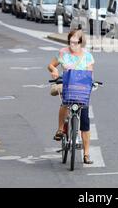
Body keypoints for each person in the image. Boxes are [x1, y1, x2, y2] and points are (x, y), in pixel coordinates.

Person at [48, 30, 95, 165]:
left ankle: (86, 154)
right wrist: (54, 70)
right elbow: (50, 65)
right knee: (64, 104)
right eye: (70, 41)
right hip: (67, 85)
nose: (72, 44)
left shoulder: (87, 56)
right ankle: (61, 129)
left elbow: (90, 74)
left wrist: (92, 83)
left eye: (75, 42)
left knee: (85, 120)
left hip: (81, 89)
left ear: (81, 43)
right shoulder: (63, 52)